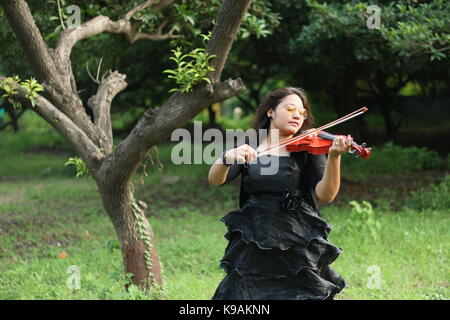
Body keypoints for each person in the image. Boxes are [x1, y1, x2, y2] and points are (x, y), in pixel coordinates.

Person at [208, 87, 353, 300]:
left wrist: (334, 157)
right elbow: (216, 179)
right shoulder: (251, 145)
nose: (297, 115)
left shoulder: (307, 148)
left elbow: (326, 195)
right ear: (270, 112)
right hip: (255, 236)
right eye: (290, 108)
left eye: (302, 113)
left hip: (297, 234)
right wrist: (227, 158)